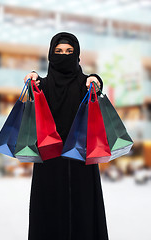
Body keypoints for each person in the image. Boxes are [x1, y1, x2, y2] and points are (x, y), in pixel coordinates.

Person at [24, 32, 109, 240]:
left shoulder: (83, 84)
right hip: (50, 160)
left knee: (83, 210)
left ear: (77, 55)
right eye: (59, 51)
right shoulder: (43, 86)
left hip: (80, 159)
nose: (64, 55)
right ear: (51, 55)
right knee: (49, 211)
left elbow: (94, 83)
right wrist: (33, 76)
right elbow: (35, 85)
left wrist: (95, 81)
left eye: (70, 51)